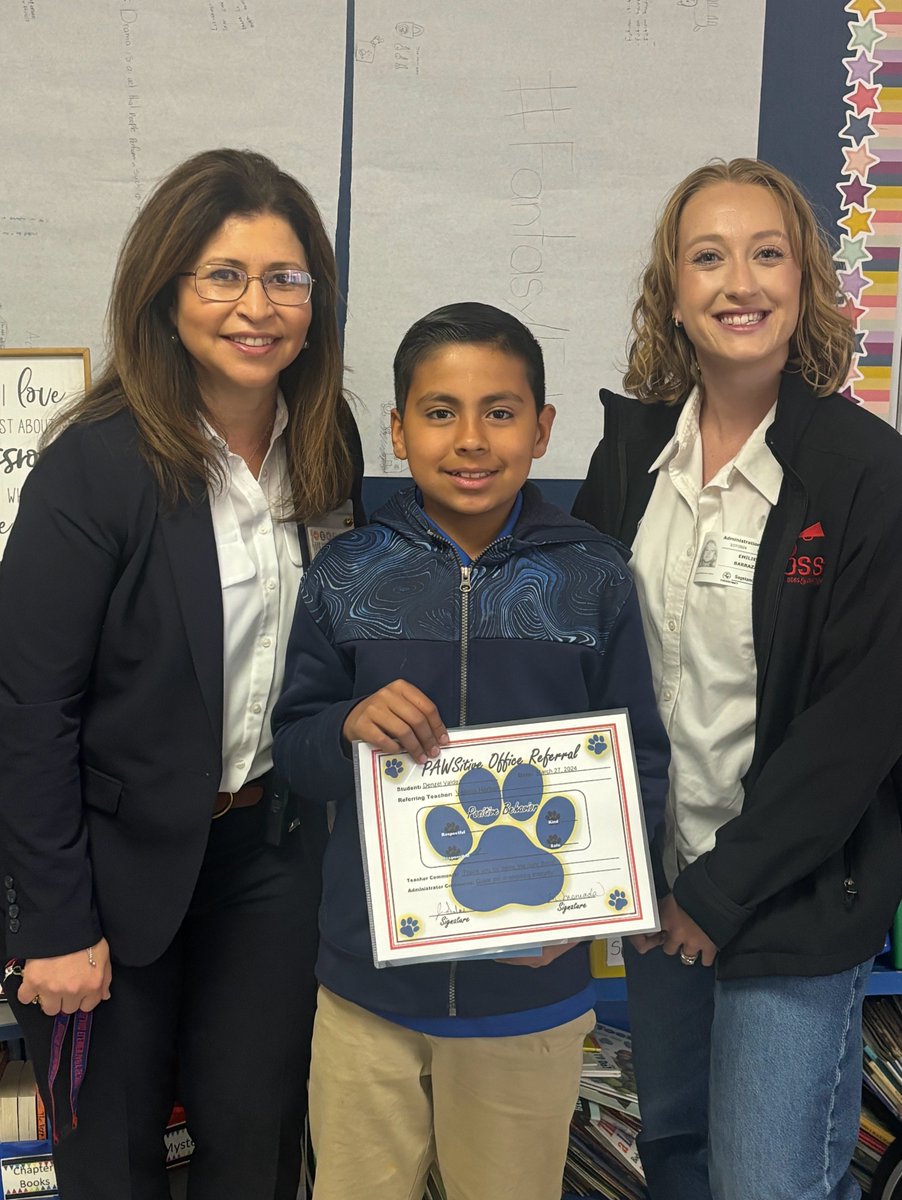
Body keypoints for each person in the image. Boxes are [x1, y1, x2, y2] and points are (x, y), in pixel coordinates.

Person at [0, 148, 363, 1200]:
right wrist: (56, 926)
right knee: (112, 1165)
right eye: (224, 276)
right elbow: (27, 709)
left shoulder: (325, 445)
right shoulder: (99, 463)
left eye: (285, 279)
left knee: (254, 1150)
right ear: (167, 293)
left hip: (268, 859)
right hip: (107, 872)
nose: (258, 307)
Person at [271, 301, 670, 1200]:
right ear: (399, 431)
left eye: (501, 411)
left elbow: (638, 765)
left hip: (528, 1003)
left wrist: (582, 914)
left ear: (542, 428)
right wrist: (345, 729)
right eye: (439, 411)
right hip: (366, 993)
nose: (471, 439)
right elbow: (293, 747)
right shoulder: (348, 573)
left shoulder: (592, 577)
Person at [572, 158, 902, 1200]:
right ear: (670, 291)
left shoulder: (861, 473)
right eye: (705, 258)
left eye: (766, 255)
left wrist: (716, 895)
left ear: (802, 280)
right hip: (654, 888)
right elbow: (572, 654)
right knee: (672, 1153)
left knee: (766, 1181)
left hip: (786, 901)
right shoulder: (630, 461)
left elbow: (856, 725)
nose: (738, 283)